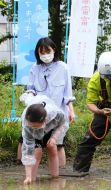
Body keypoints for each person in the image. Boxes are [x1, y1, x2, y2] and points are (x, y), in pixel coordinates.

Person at [18, 37, 75, 167]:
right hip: (38, 111)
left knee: (57, 143)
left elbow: (68, 94)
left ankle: (60, 172)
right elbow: (30, 89)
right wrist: (29, 96)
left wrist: (71, 111)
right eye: (41, 53)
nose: (45, 55)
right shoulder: (35, 68)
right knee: (26, 139)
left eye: (47, 51)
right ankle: (22, 168)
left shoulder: (63, 68)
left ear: (53, 49)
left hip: (57, 113)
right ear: (38, 54)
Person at [20, 95, 68, 184]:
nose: (34, 128)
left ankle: (55, 178)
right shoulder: (27, 124)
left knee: (52, 147)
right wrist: (28, 176)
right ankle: (31, 179)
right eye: (32, 126)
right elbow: (28, 151)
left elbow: (64, 124)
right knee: (36, 152)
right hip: (33, 131)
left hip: (51, 128)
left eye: (35, 126)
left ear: (45, 120)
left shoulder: (56, 114)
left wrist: (54, 138)